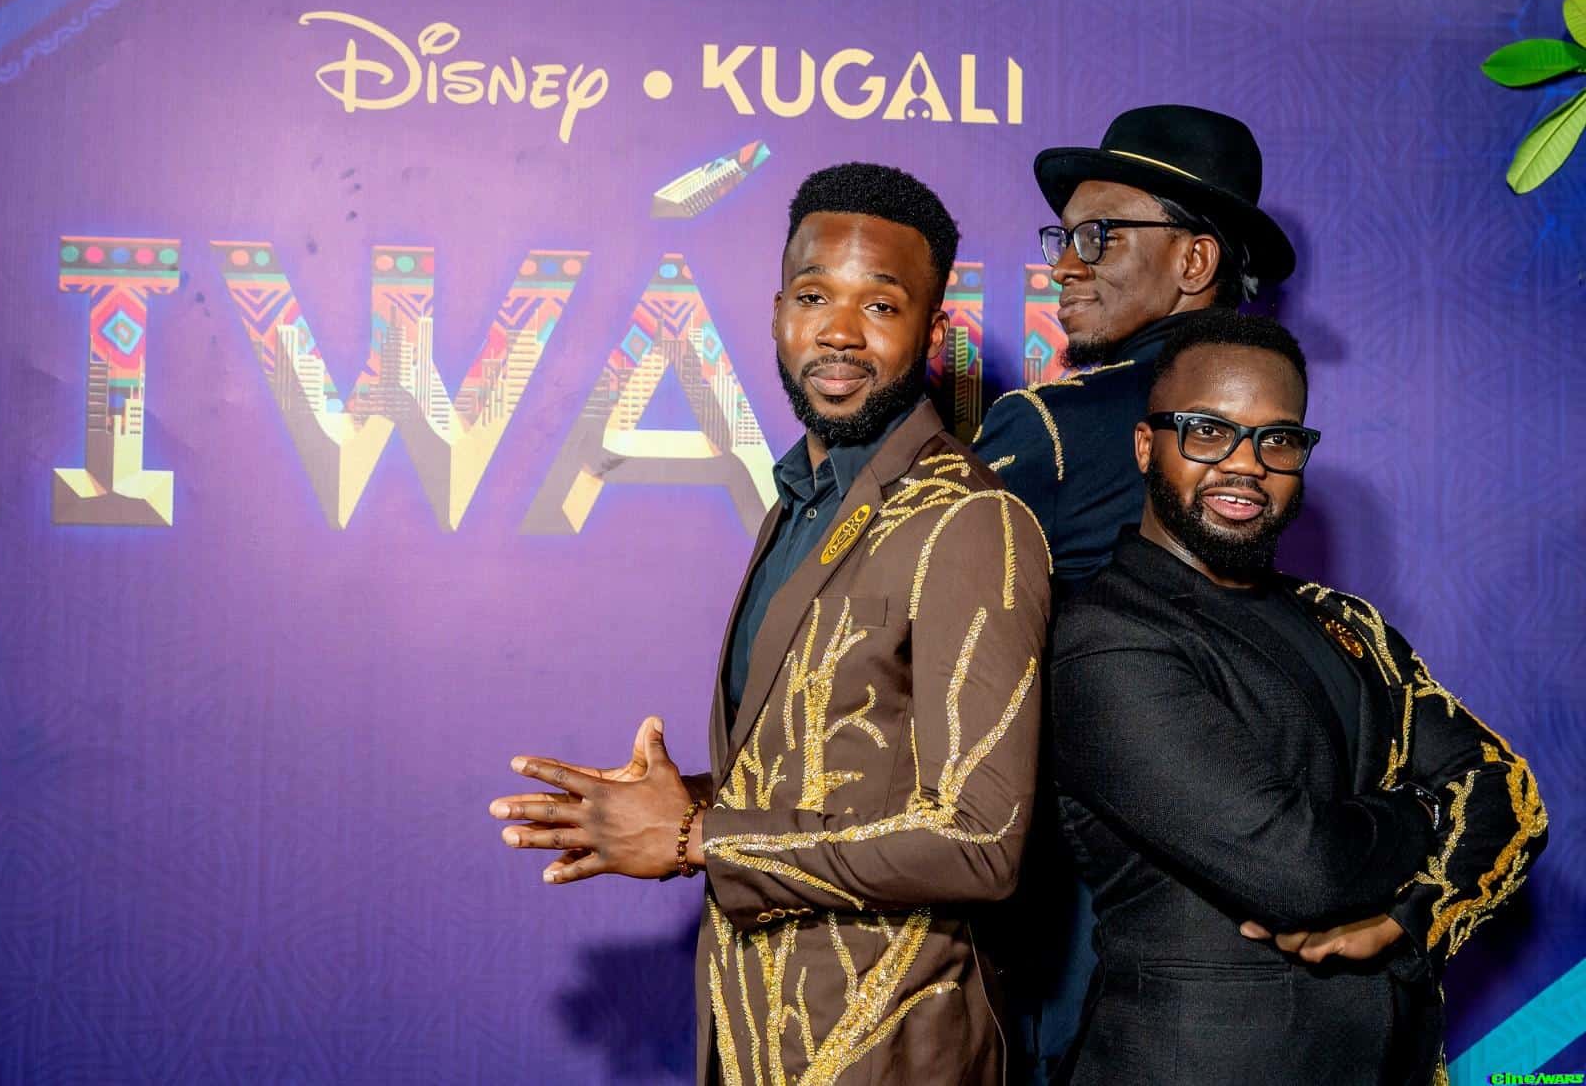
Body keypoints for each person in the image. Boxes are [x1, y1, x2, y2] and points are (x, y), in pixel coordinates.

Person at [491, 163, 1052, 1085]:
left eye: (881, 304)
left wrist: (696, 838)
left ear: (930, 331)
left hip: (889, 1053)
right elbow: (847, 760)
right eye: (813, 296)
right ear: (777, 311)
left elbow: (980, 840)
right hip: (751, 1036)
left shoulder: (969, 521)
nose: (839, 330)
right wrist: (677, 801)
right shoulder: (798, 502)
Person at [1050, 310, 1547, 1084]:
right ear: (1147, 446)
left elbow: (1506, 791)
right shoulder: (1106, 638)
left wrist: (1406, 917)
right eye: (1208, 431)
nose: (1246, 464)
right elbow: (1299, 870)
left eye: (1277, 439)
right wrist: (1425, 809)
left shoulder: (1346, 623)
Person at [974, 103, 1297, 1079]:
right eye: (1062, 240)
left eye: (1097, 237)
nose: (1063, 267)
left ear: (1194, 261)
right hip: (1239, 893)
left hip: (1075, 903)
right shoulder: (1268, 442)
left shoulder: (1050, 427)